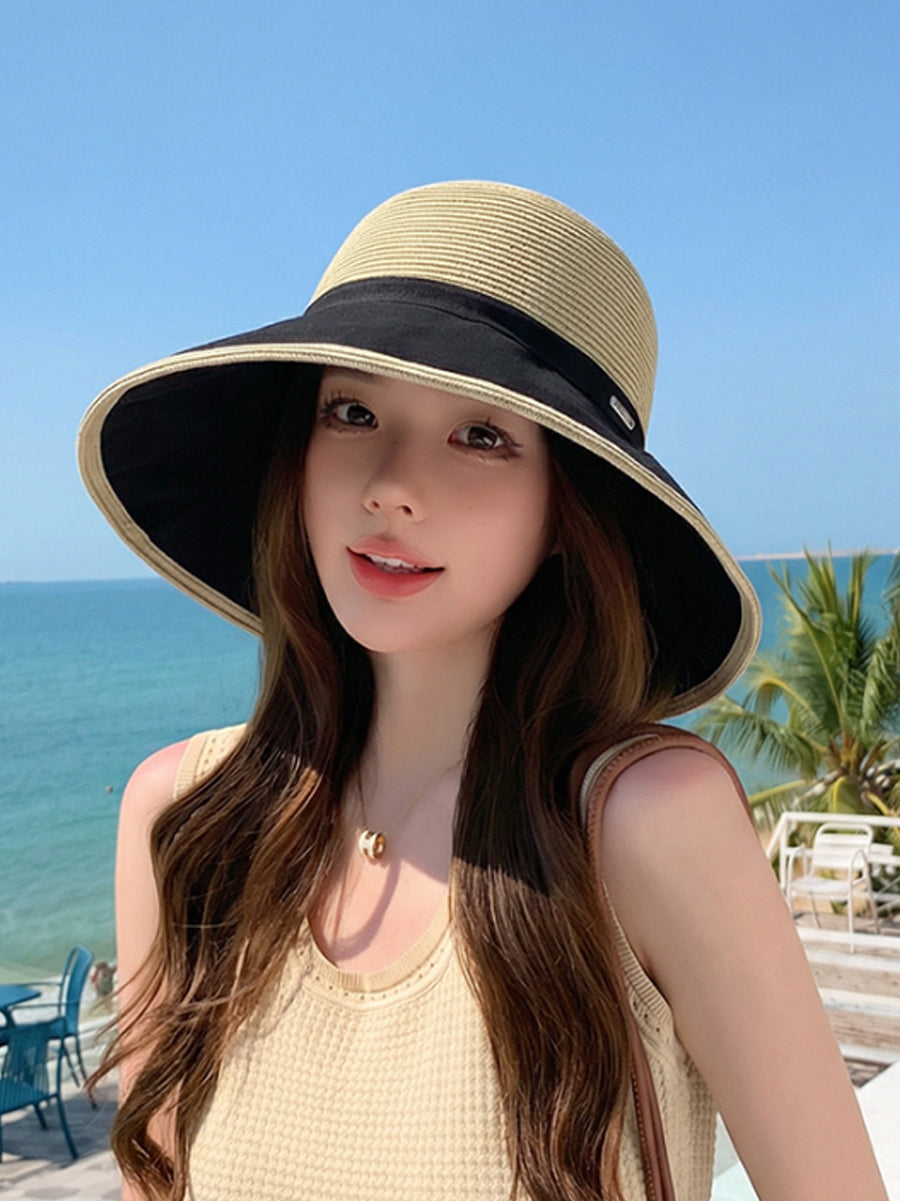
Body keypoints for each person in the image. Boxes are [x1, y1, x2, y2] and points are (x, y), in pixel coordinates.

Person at [78, 181, 887, 1201]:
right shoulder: (185, 816)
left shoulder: (642, 821)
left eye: (482, 436)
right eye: (353, 411)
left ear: (565, 509)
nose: (391, 483)